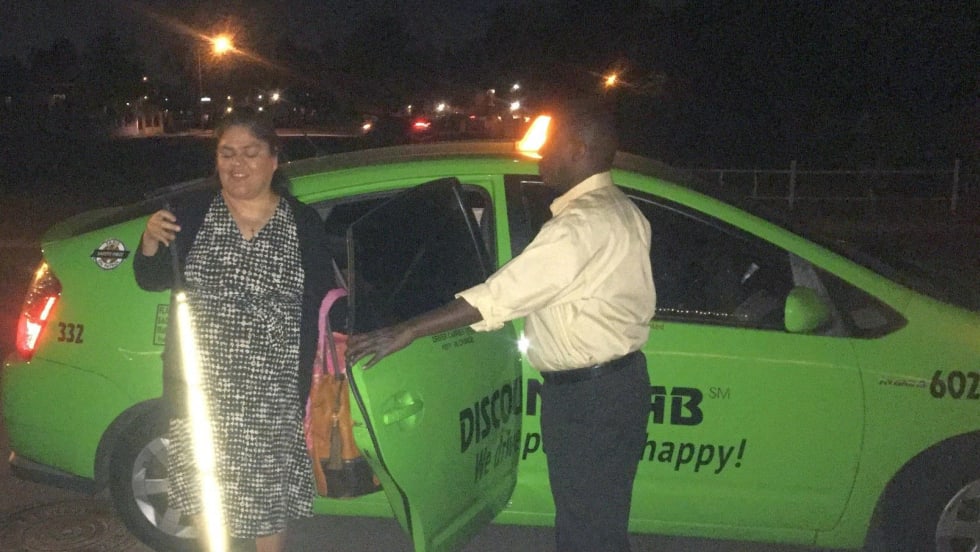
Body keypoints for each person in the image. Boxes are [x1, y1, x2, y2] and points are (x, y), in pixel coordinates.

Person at [347, 98, 656, 552]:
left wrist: (409, 330)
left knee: (587, 528)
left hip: (588, 401)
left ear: (578, 149)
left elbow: (499, 295)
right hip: (615, 389)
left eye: (550, 144)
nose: (541, 154)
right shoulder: (621, 209)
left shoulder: (579, 225)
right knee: (599, 521)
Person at [134, 108, 334, 552]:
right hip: (201, 387)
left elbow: (322, 299)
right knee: (205, 487)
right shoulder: (191, 214)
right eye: (227, 153)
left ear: (274, 159)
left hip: (274, 390)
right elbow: (151, 279)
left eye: (250, 152)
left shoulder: (302, 223)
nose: (237, 163)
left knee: (267, 500)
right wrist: (148, 241)